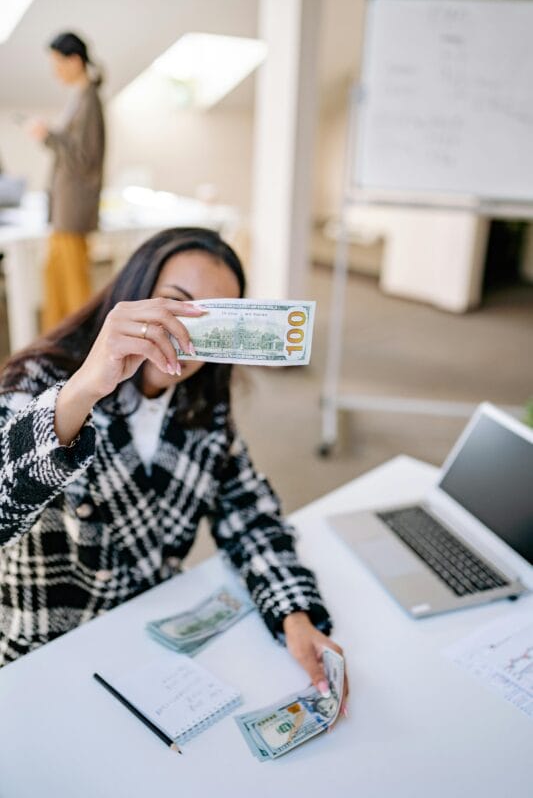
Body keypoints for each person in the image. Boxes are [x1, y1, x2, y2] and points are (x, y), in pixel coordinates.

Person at [0, 227, 348, 713]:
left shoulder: (201, 405)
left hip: (156, 642)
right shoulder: (42, 380)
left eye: (213, 320)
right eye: (174, 304)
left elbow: (247, 512)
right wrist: (82, 390)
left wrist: (293, 611)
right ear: (133, 296)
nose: (186, 335)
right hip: (49, 653)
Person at [27, 31, 105, 330]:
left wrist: (48, 136)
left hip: (74, 208)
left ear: (74, 61)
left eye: (58, 63)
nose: (54, 71)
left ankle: (80, 349)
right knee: (55, 278)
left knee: (73, 287)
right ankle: (58, 344)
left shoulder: (90, 101)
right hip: (64, 206)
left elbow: (85, 157)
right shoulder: (80, 98)